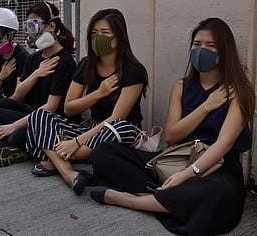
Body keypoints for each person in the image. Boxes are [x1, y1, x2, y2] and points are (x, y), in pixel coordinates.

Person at [89, 18, 254, 236]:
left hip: (216, 167)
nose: (201, 50)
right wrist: (206, 106)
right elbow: (173, 135)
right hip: (175, 159)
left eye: (210, 46)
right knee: (103, 152)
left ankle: (131, 199)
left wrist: (187, 174)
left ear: (224, 52)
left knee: (220, 193)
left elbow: (225, 143)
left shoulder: (239, 90)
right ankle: (168, 198)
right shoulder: (181, 86)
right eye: (197, 45)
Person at [26, 9, 148, 195]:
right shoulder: (86, 64)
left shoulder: (133, 70)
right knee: (39, 116)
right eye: (94, 33)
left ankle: (54, 156)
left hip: (119, 130)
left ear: (120, 36)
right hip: (91, 127)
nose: (98, 38)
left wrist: (75, 141)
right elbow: (68, 108)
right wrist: (99, 93)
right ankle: (69, 174)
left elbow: (117, 117)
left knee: (119, 126)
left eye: (105, 33)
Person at [0, 2, 76, 168]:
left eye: (34, 25)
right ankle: (10, 146)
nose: (31, 31)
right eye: (27, 26)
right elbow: (18, 94)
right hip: (31, 112)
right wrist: (37, 73)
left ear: (52, 26)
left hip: (50, 121)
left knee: (11, 133)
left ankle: (7, 144)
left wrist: (13, 126)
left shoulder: (65, 61)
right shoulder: (34, 58)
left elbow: (51, 107)